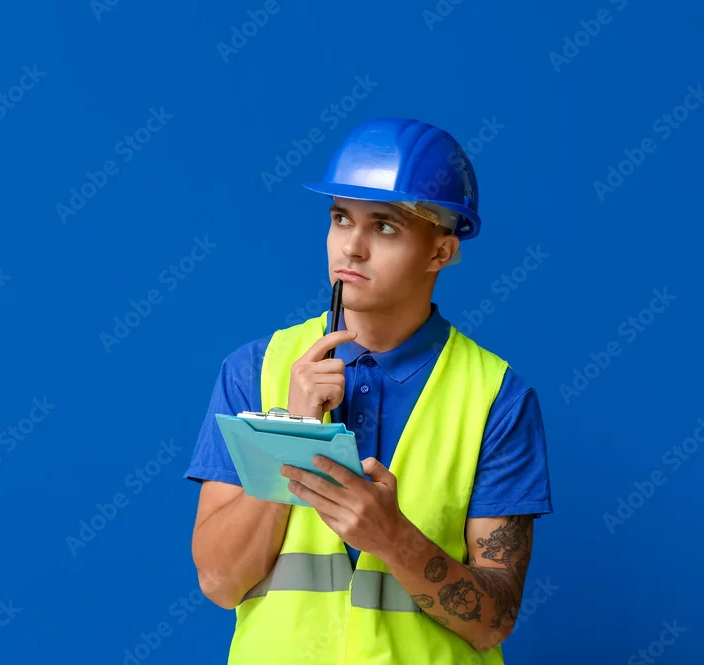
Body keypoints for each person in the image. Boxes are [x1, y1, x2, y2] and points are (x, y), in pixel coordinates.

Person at [185, 117, 552, 664]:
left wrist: (392, 537)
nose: (351, 248)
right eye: (340, 219)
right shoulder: (254, 371)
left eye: (383, 227)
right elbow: (219, 582)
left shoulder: (496, 397)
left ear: (440, 252)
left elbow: (494, 621)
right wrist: (290, 433)